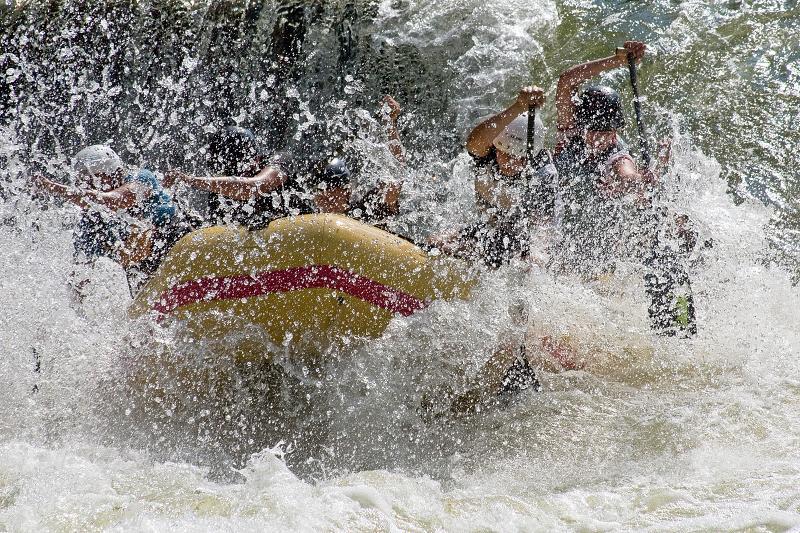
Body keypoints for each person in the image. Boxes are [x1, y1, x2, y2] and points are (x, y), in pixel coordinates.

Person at [551, 40, 697, 335]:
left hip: (595, 255)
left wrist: (647, 176)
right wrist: (617, 61)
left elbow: (628, 175)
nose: (603, 138)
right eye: (596, 132)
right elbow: (566, 80)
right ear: (581, 127)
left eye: (610, 131)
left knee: (662, 217)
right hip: (560, 244)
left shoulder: (617, 155)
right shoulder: (569, 133)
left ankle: (682, 248)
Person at [30, 144, 183, 293]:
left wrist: (53, 187)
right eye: (82, 181)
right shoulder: (91, 222)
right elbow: (80, 276)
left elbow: (114, 200)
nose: (86, 186)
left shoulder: (140, 179)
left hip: (180, 241)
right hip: (148, 271)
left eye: (91, 179)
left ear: (114, 173)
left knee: (148, 234)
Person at [446, 86, 558, 268]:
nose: (509, 162)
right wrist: (519, 106)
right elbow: (473, 143)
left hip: (524, 240)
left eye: (517, 157)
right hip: (491, 228)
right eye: (505, 153)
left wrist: (535, 261)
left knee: (533, 262)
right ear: (496, 146)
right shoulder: (488, 152)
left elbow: (542, 232)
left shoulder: (542, 174)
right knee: (440, 241)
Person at [164, 127, 306, 231]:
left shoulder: (278, 162)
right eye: (223, 171)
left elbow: (252, 187)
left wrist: (190, 180)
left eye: (232, 170)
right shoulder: (220, 193)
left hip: (309, 232)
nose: (228, 177)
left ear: (253, 158)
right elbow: (215, 233)